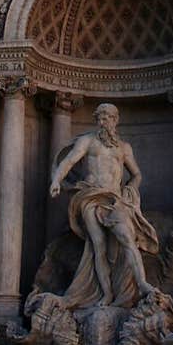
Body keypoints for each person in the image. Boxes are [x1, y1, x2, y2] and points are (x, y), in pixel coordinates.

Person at [49, 103, 159, 309]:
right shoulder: (87, 141)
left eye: (106, 118)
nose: (102, 122)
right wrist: (56, 180)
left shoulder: (124, 148)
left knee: (127, 238)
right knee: (97, 245)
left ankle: (142, 284)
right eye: (99, 118)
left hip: (115, 199)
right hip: (90, 196)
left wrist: (131, 190)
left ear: (115, 120)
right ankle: (107, 294)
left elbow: (136, 174)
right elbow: (69, 161)